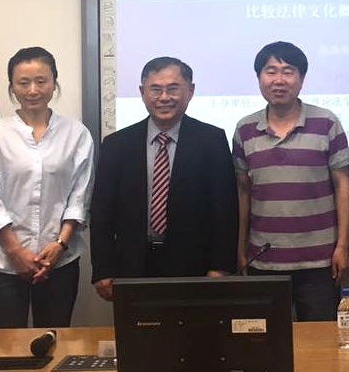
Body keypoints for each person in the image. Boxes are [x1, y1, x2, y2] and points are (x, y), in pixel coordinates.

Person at [89, 57, 238, 301]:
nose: (164, 97)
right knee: (136, 326)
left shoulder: (211, 140)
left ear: (190, 91)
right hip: (132, 265)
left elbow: (225, 210)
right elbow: (102, 212)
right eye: (155, 89)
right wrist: (103, 269)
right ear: (142, 93)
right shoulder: (117, 144)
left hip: (195, 268)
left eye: (173, 88)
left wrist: (221, 266)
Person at [0, 47, 94, 328]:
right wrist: (16, 252)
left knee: (54, 340)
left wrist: (60, 245)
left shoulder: (76, 133)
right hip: (5, 263)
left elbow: (80, 195)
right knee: (4, 345)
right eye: (23, 83)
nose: (33, 90)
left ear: (54, 82)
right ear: (12, 87)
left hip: (59, 261)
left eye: (41, 81)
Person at [233, 41, 349, 321]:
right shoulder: (245, 129)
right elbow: (242, 193)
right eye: (270, 71)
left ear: (302, 79)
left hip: (320, 262)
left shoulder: (327, 122)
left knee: (321, 340)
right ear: (259, 78)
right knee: (265, 340)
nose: (279, 80)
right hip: (263, 261)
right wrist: (240, 249)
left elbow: (343, 186)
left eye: (288, 71)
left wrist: (343, 247)